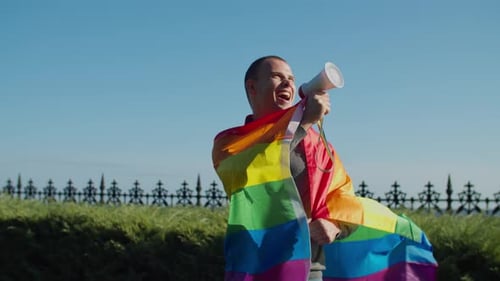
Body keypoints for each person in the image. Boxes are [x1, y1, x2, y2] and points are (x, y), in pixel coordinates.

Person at [212, 55, 438, 281]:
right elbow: (257, 169)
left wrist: (335, 224)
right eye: (276, 77)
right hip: (257, 266)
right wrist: (305, 123)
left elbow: (342, 196)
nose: (287, 83)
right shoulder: (232, 144)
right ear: (252, 87)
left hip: (310, 268)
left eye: (291, 79)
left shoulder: (316, 142)